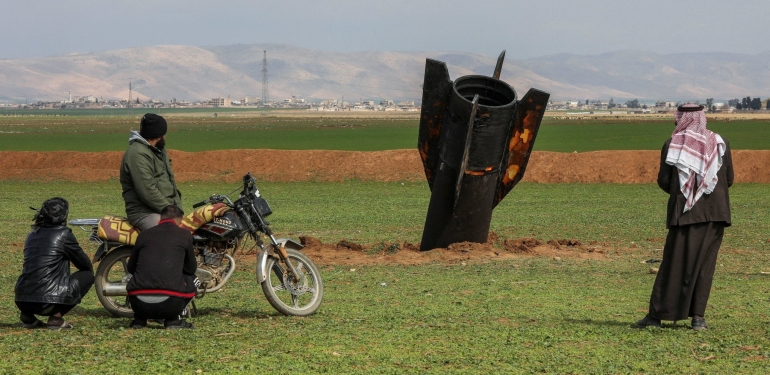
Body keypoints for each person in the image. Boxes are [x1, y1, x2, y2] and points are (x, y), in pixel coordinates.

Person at [636, 104, 733, 331]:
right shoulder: (721, 142)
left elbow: (664, 181)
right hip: (716, 214)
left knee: (673, 263)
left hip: (685, 213)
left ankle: (657, 316)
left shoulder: (673, 145)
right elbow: (728, 179)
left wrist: (686, 194)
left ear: (681, 119)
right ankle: (698, 318)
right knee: (704, 266)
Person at [15, 197, 94, 330]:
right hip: (47, 303)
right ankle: (56, 318)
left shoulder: (31, 234)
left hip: (22, 299)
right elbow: (84, 264)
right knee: (88, 275)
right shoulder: (64, 234)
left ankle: (28, 316)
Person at [126, 205, 198, 329]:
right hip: (170, 304)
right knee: (194, 279)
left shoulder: (144, 234)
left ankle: (140, 320)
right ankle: (174, 320)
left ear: (161, 217)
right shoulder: (185, 234)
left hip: (138, 303)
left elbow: (131, 268)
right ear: (180, 219)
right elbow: (191, 269)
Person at [120, 113, 182, 231]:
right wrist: (171, 211)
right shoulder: (137, 154)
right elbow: (147, 190)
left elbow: (169, 181)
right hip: (144, 212)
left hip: (163, 210)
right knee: (169, 236)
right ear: (159, 135)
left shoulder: (158, 151)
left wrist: (177, 209)